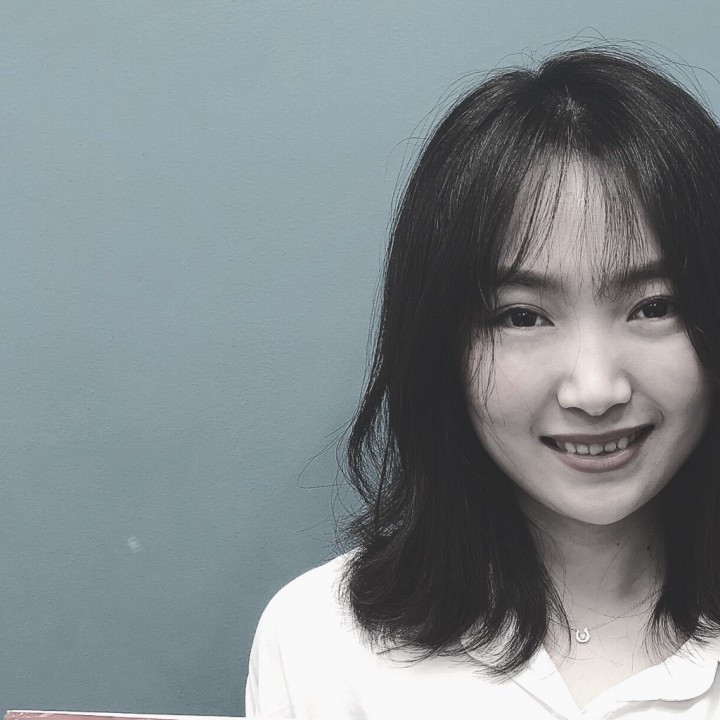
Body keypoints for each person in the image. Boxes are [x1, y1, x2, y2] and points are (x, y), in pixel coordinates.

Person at [245, 47, 720, 719]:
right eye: (522, 316)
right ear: (441, 344)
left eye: (653, 306)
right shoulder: (321, 644)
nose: (595, 390)